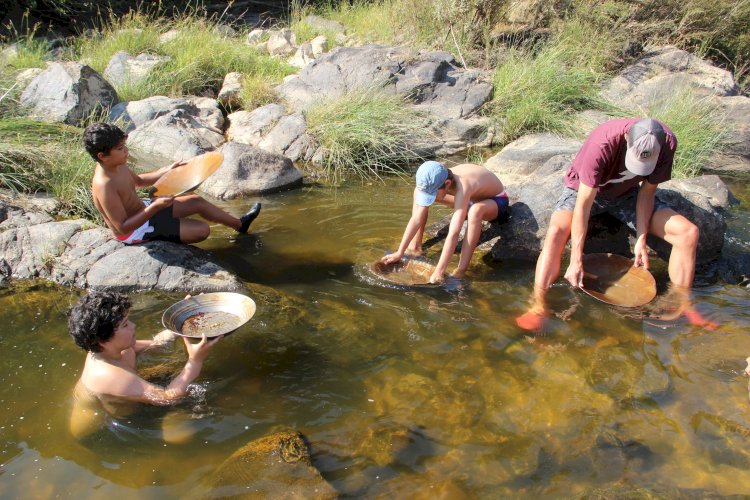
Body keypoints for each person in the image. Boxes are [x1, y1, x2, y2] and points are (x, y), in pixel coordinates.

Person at [515, 118, 717, 332]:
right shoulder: (602, 144)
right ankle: (538, 306)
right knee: (556, 231)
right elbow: (583, 205)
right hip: (583, 191)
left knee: (688, 233)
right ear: (626, 138)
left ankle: (682, 304)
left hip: (626, 195)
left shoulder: (667, 143)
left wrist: (641, 238)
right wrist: (575, 260)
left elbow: (647, 192)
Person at [68, 292, 221, 439]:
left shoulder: (115, 349)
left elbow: (157, 344)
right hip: (98, 432)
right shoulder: (109, 375)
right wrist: (195, 361)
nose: (133, 326)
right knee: (180, 436)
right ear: (103, 340)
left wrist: (181, 320)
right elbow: (168, 397)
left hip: (127, 397)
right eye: (125, 325)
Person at [83, 122, 261, 244]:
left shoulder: (117, 164)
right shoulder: (104, 185)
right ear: (102, 156)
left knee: (196, 202)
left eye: (125, 146)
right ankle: (168, 234)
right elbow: (122, 227)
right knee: (202, 230)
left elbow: (139, 181)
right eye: (121, 149)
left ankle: (240, 224)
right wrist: (155, 207)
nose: (126, 151)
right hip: (135, 231)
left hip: (143, 210)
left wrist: (167, 170)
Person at [381, 161, 509, 283]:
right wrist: (399, 252)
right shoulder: (441, 179)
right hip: (469, 200)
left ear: (447, 184)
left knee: (475, 211)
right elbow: (416, 218)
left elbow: (454, 233)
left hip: (495, 201)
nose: (430, 198)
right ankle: (415, 246)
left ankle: (461, 269)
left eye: (433, 194)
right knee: (418, 193)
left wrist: (439, 270)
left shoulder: (463, 186)